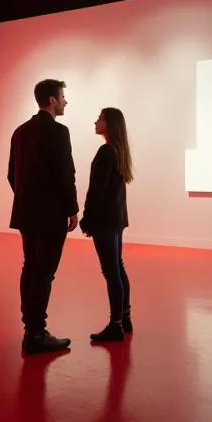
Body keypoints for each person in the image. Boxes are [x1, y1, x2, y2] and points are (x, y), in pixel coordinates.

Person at [8, 79, 79, 355]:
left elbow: (12, 174)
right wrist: (71, 208)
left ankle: (31, 327)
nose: (65, 102)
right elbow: (65, 174)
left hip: (26, 212)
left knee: (31, 266)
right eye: (62, 97)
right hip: (50, 215)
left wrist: (26, 197)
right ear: (51, 100)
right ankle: (36, 333)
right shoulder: (59, 132)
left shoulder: (20, 132)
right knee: (44, 272)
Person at [80, 107, 133, 342]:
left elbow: (96, 191)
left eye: (99, 118)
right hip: (117, 219)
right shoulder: (119, 152)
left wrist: (86, 219)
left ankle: (115, 325)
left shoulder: (105, 152)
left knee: (111, 271)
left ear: (109, 124)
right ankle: (125, 317)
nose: (95, 121)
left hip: (105, 221)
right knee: (117, 267)